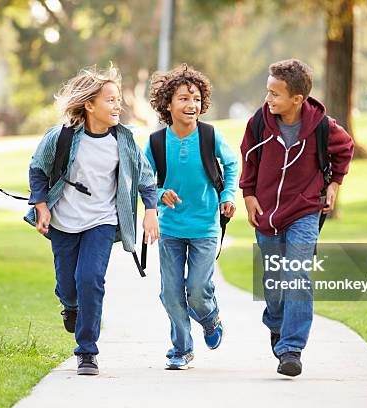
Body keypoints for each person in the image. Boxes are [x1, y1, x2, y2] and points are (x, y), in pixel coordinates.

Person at [25, 64, 160, 376]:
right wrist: (41, 205)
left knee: (90, 279)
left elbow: (146, 178)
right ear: (89, 105)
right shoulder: (60, 137)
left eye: (118, 100)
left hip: (102, 221)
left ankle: (87, 352)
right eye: (110, 100)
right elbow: (37, 169)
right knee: (68, 286)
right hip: (63, 222)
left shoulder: (123, 141)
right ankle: (70, 307)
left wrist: (150, 210)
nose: (118, 106)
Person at [240, 59, 354, 377]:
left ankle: (291, 348)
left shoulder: (321, 126)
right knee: (274, 285)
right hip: (266, 214)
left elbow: (345, 148)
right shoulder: (259, 123)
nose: (269, 99)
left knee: (297, 275)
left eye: (275, 94)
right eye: (268, 92)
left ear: (297, 99)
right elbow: (248, 157)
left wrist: (333, 185)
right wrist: (248, 196)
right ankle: (277, 323)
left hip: (305, 209)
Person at [146, 64, 238, 370]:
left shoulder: (210, 136)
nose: (191, 105)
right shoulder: (156, 142)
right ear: (168, 104)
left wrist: (227, 197)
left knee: (197, 290)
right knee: (171, 294)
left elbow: (232, 165)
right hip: (171, 228)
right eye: (184, 98)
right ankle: (182, 349)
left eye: (196, 99)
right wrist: (159, 195)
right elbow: (144, 180)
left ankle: (210, 318)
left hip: (205, 227)